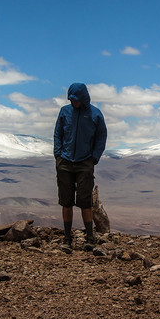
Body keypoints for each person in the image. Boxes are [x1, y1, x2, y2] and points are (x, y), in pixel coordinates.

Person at [54, 83, 107, 250]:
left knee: (85, 202)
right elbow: (58, 133)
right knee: (66, 201)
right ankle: (67, 238)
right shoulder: (65, 111)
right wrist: (58, 154)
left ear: (83, 98)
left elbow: (101, 137)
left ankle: (90, 238)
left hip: (85, 163)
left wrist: (94, 158)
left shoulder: (95, 114)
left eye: (76, 99)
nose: (73, 102)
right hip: (65, 162)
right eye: (71, 99)